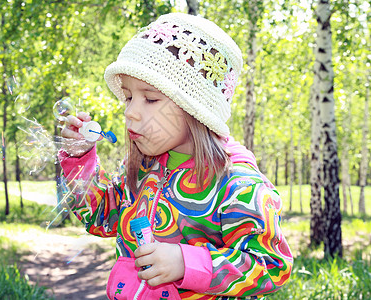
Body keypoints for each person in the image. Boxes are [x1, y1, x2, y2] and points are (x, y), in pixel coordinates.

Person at [58, 12, 293, 300]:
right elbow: (101, 216)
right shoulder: (144, 168)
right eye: (129, 97)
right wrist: (80, 160)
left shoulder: (238, 185)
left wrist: (187, 263)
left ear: (195, 108)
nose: (130, 111)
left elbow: (271, 266)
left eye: (151, 98)